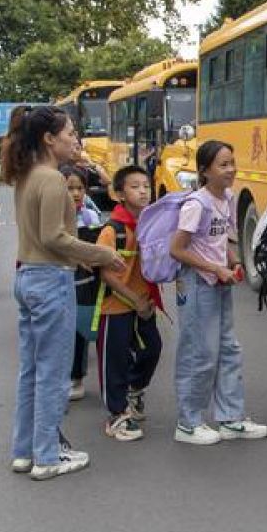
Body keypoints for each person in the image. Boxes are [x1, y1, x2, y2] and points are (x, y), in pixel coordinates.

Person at [3, 105, 126, 481]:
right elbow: (54, 237)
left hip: (28, 277)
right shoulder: (53, 179)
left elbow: (44, 237)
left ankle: (25, 451)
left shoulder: (26, 175)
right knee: (54, 373)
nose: (76, 139)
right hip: (50, 280)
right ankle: (47, 455)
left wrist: (81, 255)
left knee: (32, 371)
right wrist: (102, 253)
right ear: (49, 138)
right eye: (70, 133)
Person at [169, 139, 267, 445]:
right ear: (204, 171)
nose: (231, 169)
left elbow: (220, 241)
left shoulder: (227, 197)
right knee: (199, 353)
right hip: (198, 286)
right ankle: (189, 422)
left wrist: (234, 260)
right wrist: (215, 269)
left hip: (218, 284)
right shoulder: (196, 204)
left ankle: (231, 418)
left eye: (232, 162)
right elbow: (177, 249)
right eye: (223, 165)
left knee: (228, 350)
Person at [96, 165, 162, 442]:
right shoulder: (113, 230)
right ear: (120, 194)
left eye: (146, 185)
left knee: (153, 349)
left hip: (143, 304)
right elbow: (106, 273)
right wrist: (134, 299)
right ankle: (117, 414)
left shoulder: (151, 223)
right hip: (117, 307)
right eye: (135, 187)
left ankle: (134, 391)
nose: (143, 191)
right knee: (115, 362)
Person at [62, 164, 103, 402]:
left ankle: (83, 377)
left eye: (80, 188)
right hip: (61, 280)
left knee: (85, 327)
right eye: (70, 188)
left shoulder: (90, 215)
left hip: (86, 281)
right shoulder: (52, 217)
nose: (76, 194)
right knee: (66, 332)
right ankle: (68, 377)